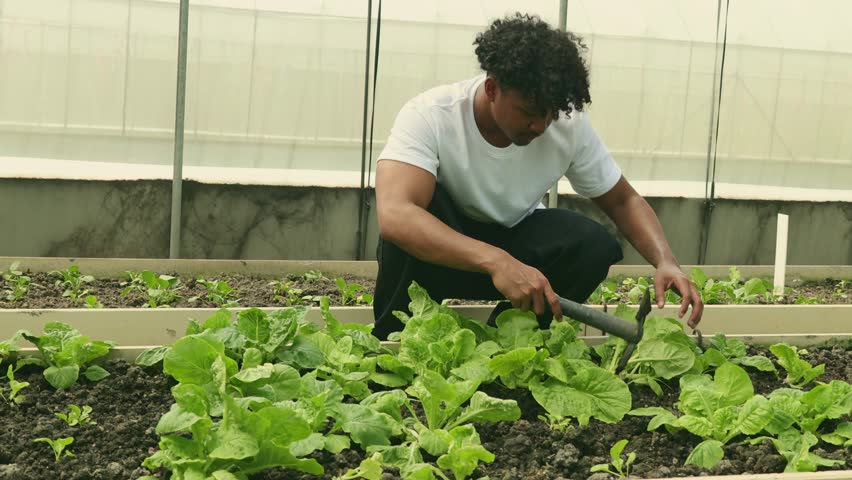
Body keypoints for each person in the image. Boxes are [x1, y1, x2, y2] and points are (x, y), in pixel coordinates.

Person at [371, 13, 703, 340]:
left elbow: (623, 199)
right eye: (528, 112)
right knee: (414, 217)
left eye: (550, 114)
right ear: (491, 88)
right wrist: (496, 262)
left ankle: (512, 340)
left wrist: (666, 260)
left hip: (517, 249)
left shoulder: (567, 127)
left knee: (593, 245)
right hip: (441, 259)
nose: (541, 126)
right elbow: (395, 214)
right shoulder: (431, 115)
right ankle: (394, 339)